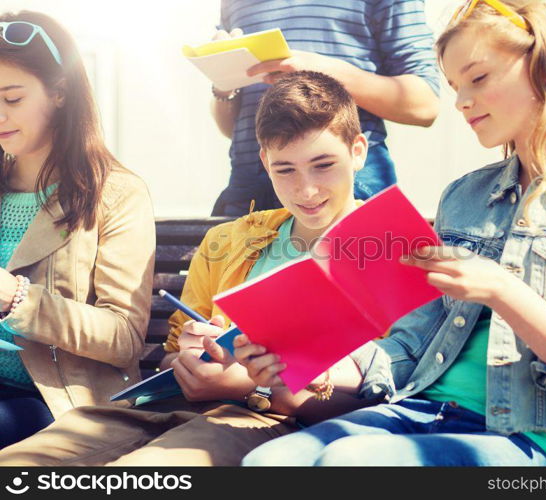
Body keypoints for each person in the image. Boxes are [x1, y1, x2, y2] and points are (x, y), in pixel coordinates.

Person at [239, 0, 546, 466]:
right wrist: (304, 361)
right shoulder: (465, 196)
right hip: (420, 411)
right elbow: (408, 347)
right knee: (267, 464)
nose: (462, 101)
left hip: (529, 439)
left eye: (478, 78)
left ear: (542, 63)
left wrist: (503, 290)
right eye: (454, 86)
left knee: (348, 463)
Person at [0, 71, 383, 465]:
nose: (306, 190)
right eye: (286, 169)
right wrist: (190, 359)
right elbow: (170, 360)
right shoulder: (228, 241)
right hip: (168, 408)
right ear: (265, 161)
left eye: (323, 165)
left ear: (357, 151)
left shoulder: (391, 249)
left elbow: (388, 401)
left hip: (268, 422)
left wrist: (245, 387)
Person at [0, 11, 155, 448]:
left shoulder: (115, 193)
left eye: (12, 99)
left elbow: (123, 338)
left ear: (60, 93)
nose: (0, 115)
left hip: (56, 403)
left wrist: (17, 299)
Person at [210, 0, 441, 217]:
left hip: (349, 183)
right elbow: (231, 129)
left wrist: (322, 72)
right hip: (248, 187)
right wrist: (223, 86)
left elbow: (425, 103)